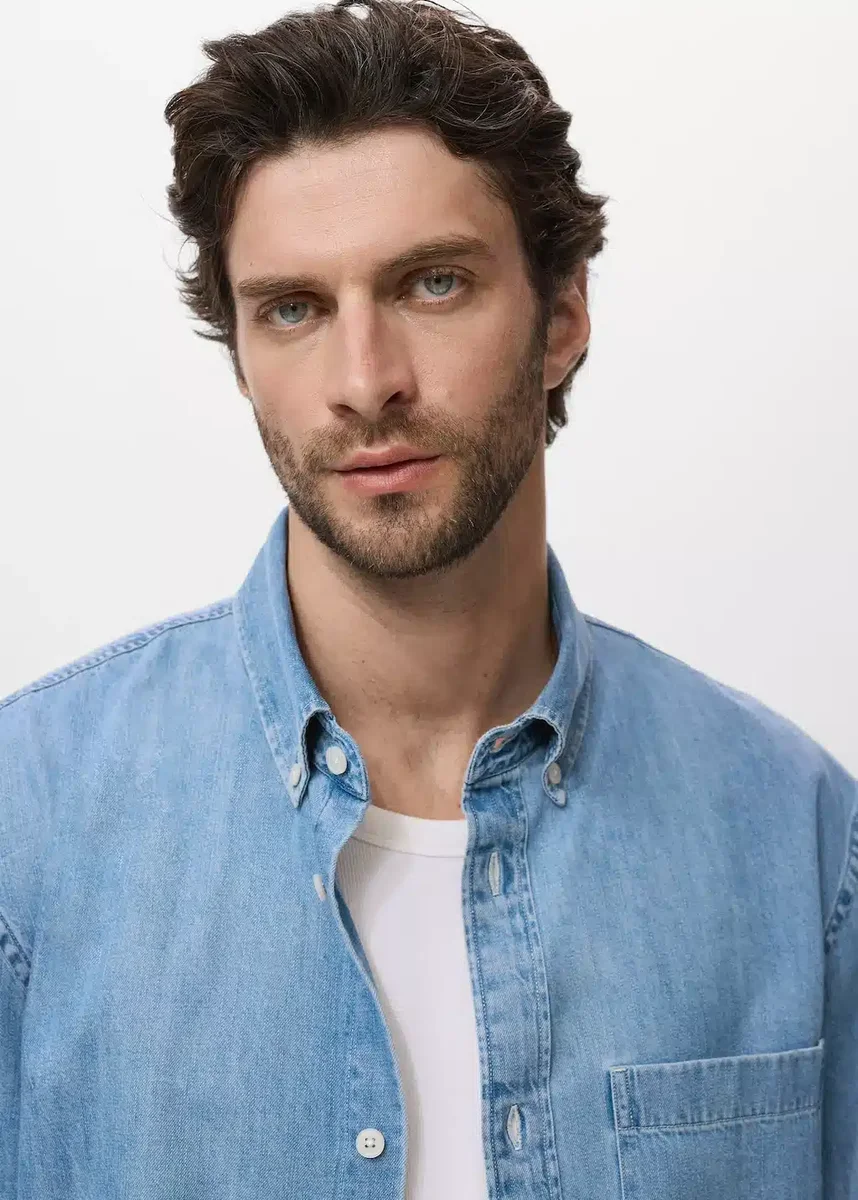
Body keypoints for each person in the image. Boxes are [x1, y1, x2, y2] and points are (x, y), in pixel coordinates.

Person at [1, 0, 855, 1196]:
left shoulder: (796, 835)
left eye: (433, 284)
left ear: (561, 319)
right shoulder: (29, 825)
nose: (365, 383)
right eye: (292, 308)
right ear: (240, 353)